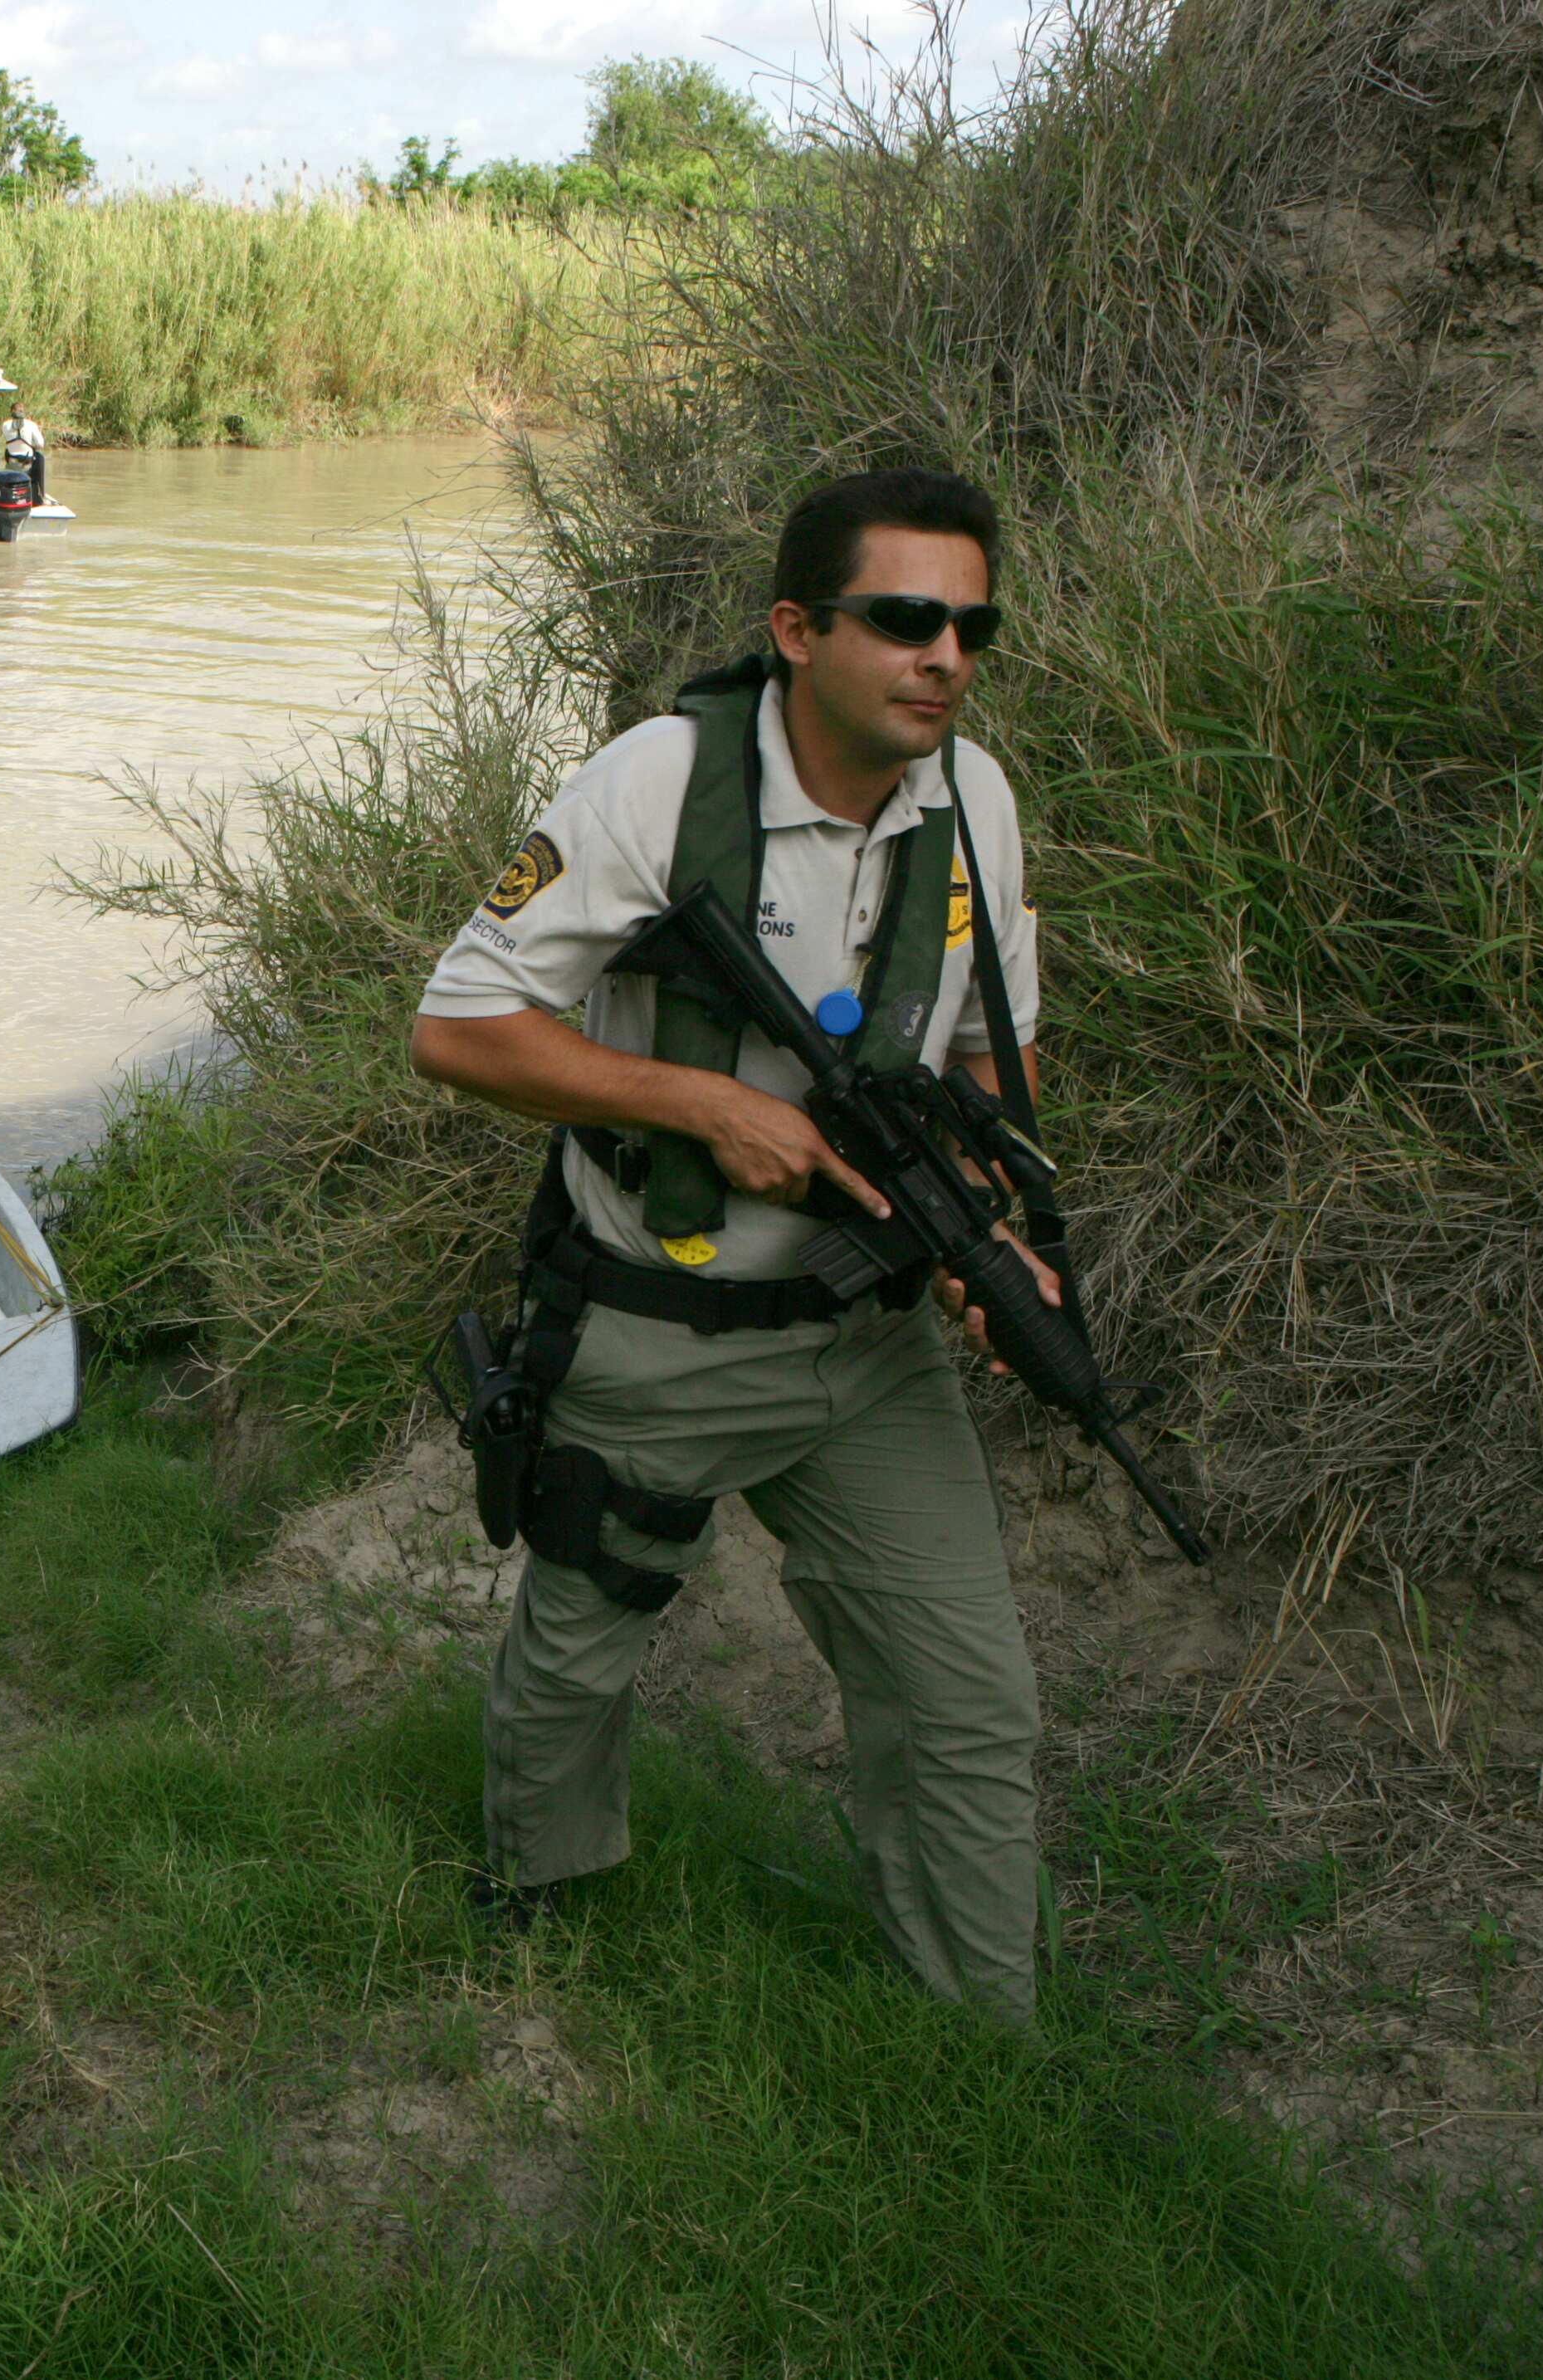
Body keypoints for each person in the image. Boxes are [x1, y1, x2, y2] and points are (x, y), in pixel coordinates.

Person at [408, 467, 1060, 2026]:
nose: (944, 658)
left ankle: (983, 2045)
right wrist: (700, 1102)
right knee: (579, 1656)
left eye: (974, 626)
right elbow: (459, 1026)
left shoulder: (978, 807)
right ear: (796, 629)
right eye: (905, 619)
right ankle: (538, 1933)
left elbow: (990, 1067)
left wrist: (1004, 1242)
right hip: (658, 1330)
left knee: (970, 1699)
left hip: (867, 1339)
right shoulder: (657, 786)